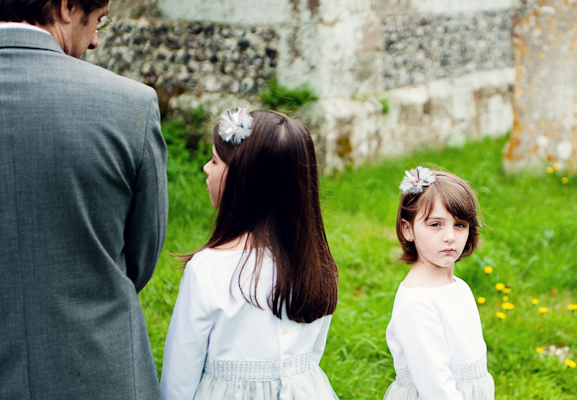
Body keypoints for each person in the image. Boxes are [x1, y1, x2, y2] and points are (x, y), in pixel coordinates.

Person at [0, 1, 168, 399]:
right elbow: (140, 259)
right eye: (97, 22)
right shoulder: (131, 105)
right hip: (99, 374)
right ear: (66, 7)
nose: (94, 41)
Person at [160, 108, 339, 400]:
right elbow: (312, 355)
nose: (206, 168)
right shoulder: (316, 262)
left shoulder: (208, 269)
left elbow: (180, 375)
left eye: (215, 161)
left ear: (245, 181)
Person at [383, 167, 494, 400]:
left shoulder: (459, 286)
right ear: (408, 229)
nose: (450, 236)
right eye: (435, 224)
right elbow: (436, 390)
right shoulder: (417, 303)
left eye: (460, 225)